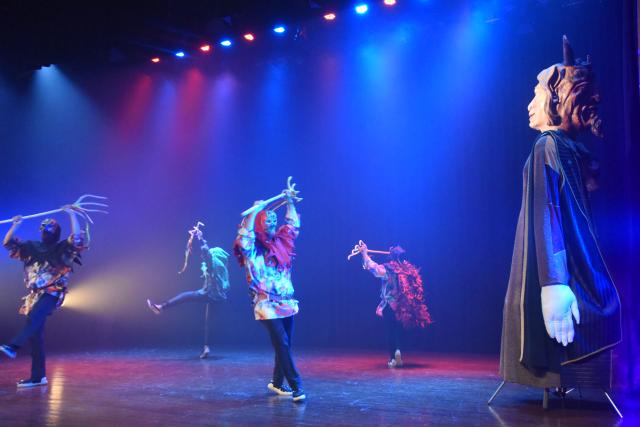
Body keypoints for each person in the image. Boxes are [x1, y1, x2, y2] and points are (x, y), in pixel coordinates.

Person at [500, 36, 621, 388]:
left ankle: (552, 375)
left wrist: (553, 281)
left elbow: (549, 212)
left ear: (556, 100)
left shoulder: (548, 145)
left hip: (553, 265)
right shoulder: (565, 146)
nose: (529, 104)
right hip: (571, 259)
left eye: (536, 95)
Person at [233, 179, 306, 402]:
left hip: (286, 302)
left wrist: (290, 201)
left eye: (274, 219)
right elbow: (244, 236)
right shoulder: (252, 250)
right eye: (268, 219)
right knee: (282, 343)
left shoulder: (281, 243)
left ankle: (276, 382)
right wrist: (255, 211)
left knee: (284, 345)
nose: (273, 221)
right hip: (265, 303)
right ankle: (297, 386)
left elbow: (292, 225)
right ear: (260, 224)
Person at [0, 208, 87, 388]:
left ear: (56, 233)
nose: (46, 233)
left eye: (50, 230)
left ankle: (13, 347)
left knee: (35, 318)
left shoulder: (62, 249)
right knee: (35, 335)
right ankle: (38, 377)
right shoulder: (32, 247)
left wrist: (72, 214)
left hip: (52, 292)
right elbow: (8, 243)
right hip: (34, 295)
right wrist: (15, 225)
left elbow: (77, 239)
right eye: (44, 230)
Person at [147, 225, 230, 359]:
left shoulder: (213, 264)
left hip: (210, 294)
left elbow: (207, 254)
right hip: (219, 297)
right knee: (208, 322)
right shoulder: (222, 267)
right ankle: (206, 347)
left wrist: (200, 238)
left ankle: (161, 307)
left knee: (186, 296)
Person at [357, 243, 432, 368]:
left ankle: (393, 358)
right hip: (405, 307)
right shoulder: (409, 270)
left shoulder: (388, 268)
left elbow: (374, 268)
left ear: (391, 256)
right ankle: (398, 352)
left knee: (390, 331)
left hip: (391, 305)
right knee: (399, 330)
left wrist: (364, 253)